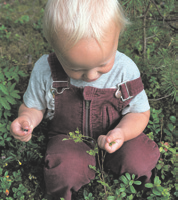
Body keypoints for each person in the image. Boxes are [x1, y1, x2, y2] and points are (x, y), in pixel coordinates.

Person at [10, 0, 160, 199]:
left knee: (140, 159)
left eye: (102, 65)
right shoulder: (46, 70)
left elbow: (139, 112)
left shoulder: (125, 70)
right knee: (62, 173)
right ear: (55, 48)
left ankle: (148, 191)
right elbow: (34, 106)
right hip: (69, 139)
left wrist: (122, 132)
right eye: (76, 69)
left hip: (117, 135)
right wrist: (27, 119)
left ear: (117, 39)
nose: (91, 76)